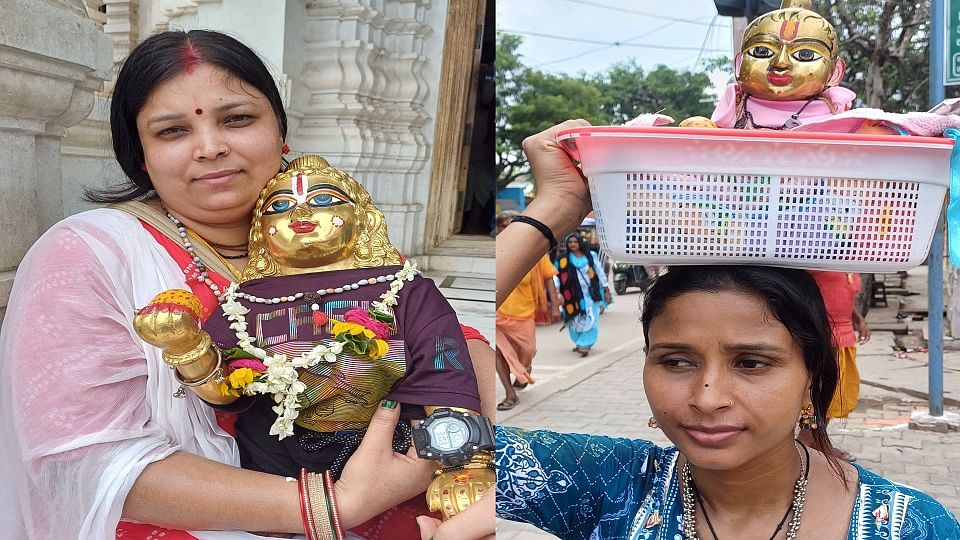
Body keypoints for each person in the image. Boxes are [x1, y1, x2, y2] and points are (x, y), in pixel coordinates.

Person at [0, 29, 494, 540]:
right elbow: (79, 457)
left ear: (281, 133)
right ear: (139, 156)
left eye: (237, 119)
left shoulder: (337, 238)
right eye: (172, 131)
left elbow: (445, 340)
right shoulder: (87, 254)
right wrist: (334, 505)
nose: (211, 147)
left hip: (410, 493)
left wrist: (462, 454)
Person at [497, 265, 960, 539]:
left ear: (810, 378)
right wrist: (552, 211)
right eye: (676, 361)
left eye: (752, 363)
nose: (707, 397)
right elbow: (451, 439)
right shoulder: (609, 487)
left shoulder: (910, 526)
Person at [799, 270, 871, 462]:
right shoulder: (819, 257)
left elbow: (844, 298)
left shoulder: (849, 264)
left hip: (844, 336)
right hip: (821, 335)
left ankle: (818, 440)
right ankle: (806, 440)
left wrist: (859, 320)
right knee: (815, 397)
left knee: (832, 395)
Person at [494, 211, 560, 411]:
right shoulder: (495, 250)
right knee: (500, 353)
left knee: (528, 352)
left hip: (524, 313)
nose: (507, 229)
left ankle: (524, 371)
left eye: (511, 225)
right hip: (498, 313)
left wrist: (555, 304)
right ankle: (510, 393)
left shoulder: (534, 251)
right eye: (503, 226)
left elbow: (549, 278)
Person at [555, 232, 611, 357]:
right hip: (571, 297)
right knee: (574, 320)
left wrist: (606, 288)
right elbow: (556, 276)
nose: (573, 244)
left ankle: (585, 344)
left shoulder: (591, 256)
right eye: (570, 242)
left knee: (591, 319)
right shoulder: (562, 259)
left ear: (580, 242)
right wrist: (558, 292)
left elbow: (600, 272)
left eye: (575, 242)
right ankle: (579, 342)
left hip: (590, 295)